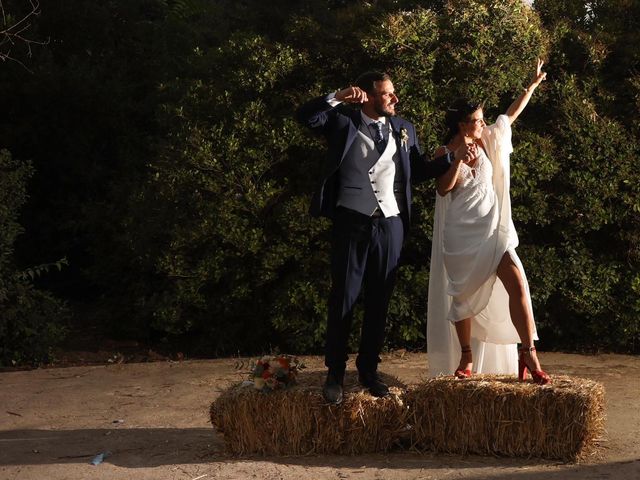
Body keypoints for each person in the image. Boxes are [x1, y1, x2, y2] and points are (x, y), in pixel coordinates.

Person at [296, 71, 469, 404]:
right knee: (343, 298)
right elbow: (306, 117)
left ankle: (368, 370)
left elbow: (416, 170)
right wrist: (337, 95)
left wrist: (452, 157)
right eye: (387, 94)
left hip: (390, 224)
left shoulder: (404, 128)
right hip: (351, 222)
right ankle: (334, 373)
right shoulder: (342, 121)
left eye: (393, 94)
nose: (395, 99)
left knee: (379, 301)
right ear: (369, 96)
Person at [426, 59, 551, 385]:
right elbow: (442, 189)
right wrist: (456, 161)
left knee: (518, 283)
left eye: (482, 120)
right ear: (462, 125)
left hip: (493, 229)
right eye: (477, 122)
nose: (482, 125)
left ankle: (529, 353)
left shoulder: (488, 140)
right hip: (461, 233)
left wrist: (532, 86)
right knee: (463, 296)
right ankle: (466, 355)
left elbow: (509, 115)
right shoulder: (444, 152)